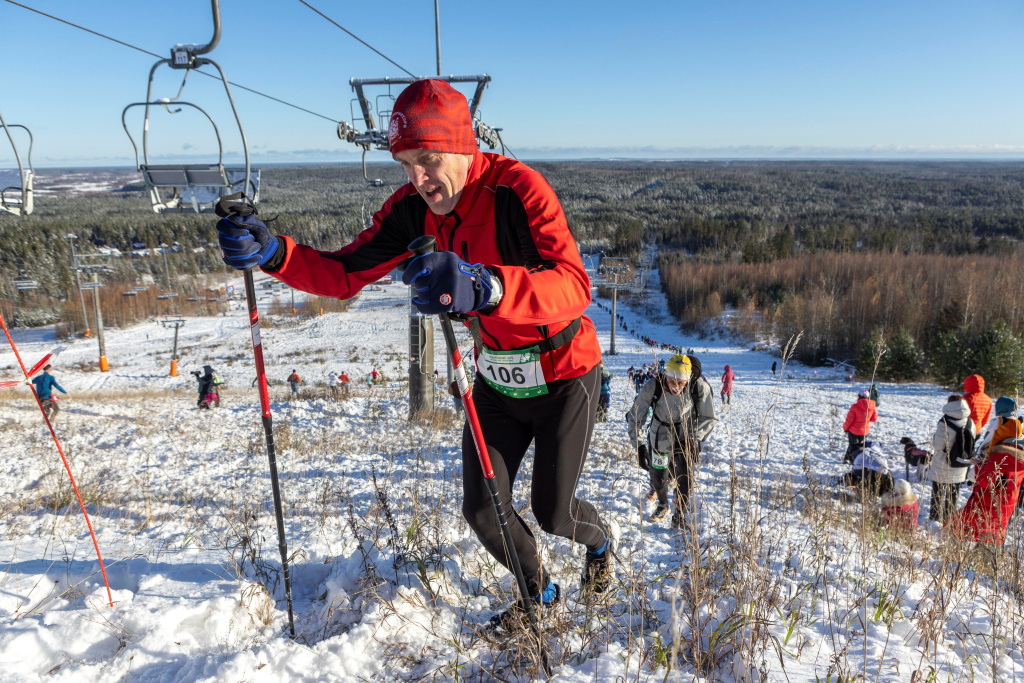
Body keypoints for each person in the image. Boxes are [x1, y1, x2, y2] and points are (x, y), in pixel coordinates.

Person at [214, 78, 615, 625]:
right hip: (497, 382)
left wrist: (487, 286)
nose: (418, 179)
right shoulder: (409, 210)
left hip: (565, 374)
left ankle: (600, 546)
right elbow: (344, 272)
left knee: (554, 511)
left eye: (427, 159)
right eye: (404, 164)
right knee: (483, 509)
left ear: (464, 145)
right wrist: (273, 253)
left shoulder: (517, 190)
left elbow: (573, 285)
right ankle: (539, 594)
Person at [626, 354, 717, 526]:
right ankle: (662, 504)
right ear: (665, 375)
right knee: (658, 475)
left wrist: (693, 438)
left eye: (681, 383)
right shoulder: (653, 386)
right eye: (671, 381)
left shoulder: (699, 387)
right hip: (660, 436)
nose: (675, 387)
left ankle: (680, 514)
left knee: (685, 475)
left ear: (688, 379)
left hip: (686, 437)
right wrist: (639, 446)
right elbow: (635, 417)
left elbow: (708, 417)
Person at [950, 397, 1024, 544]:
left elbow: (984, 480)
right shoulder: (1019, 453)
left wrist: (980, 464)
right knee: (994, 535)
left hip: (988, 504)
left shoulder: (1000, 455)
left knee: (959, 527)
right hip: (1006, 503)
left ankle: (964, 562)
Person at [929, 395, 976, 524]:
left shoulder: (944, 421)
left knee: (937, 492)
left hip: (943, 463)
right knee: (954, 493)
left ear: (949, 405)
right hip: (961, 464)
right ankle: (948, 518)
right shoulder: (970, 422)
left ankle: (935, 518)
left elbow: (937, 445)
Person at [842, 389, 878, 463]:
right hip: (864, 431)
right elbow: (874, 419)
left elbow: (849, 420)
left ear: (859, 396)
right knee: (859, 446)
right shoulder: (872, 406)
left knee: (852, 446)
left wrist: (845, 428)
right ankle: (851, 459)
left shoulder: (855, 407)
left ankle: (849, 460)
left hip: (853, 431)